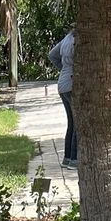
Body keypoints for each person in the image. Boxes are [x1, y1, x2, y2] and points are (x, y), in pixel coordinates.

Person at [47, 27, 76, 167]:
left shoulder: (66, 39)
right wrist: (71, 70)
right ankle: (75, 159)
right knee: (78, 123)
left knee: (71, 122)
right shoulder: (76, 40)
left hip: (63, 83)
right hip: (71, 84)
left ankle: (67, 158)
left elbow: (52, 55)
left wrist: (64, 68)